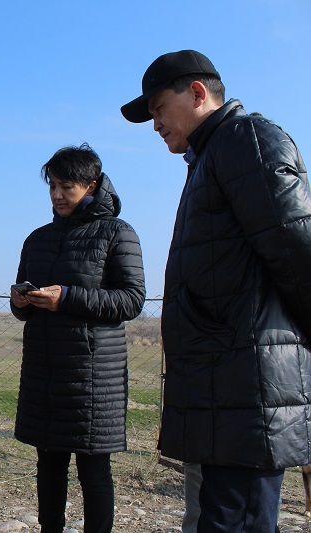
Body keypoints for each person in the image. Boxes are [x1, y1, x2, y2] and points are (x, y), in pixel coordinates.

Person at [121, 50, 311, 532]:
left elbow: (297, 248)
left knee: (235, 521)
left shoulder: (246, 140)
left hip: (248, 385)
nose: (155, 124)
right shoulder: (213, 153)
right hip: (225, 384)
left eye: (159, 108)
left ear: (197, 93)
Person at [10, 144, 145, 533]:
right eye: (51, 186)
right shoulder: (37, 238)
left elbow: (131, 299)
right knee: (48, 465)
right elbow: (24, 308)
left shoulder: (118, 233)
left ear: (92, 185)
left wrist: (66, 298)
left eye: (66, 186)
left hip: (93, 376)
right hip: (44, 371)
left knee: (94, 469)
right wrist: (21, 302)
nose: (56, 195)